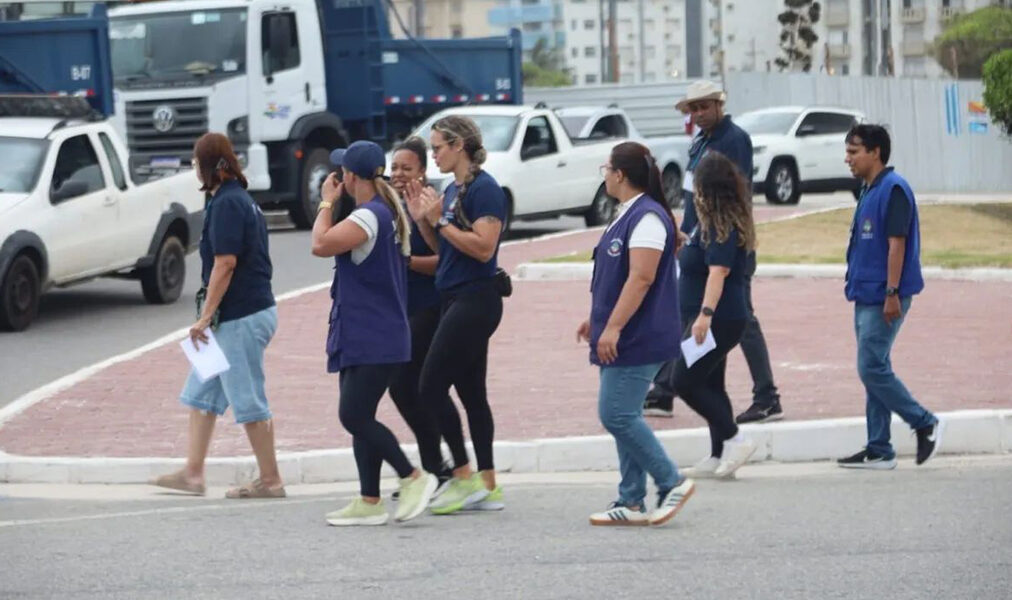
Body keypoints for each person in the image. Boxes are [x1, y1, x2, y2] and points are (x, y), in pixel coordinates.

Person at [150, 133, 284, 499]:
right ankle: (192, 473)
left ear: (210, 165)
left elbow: (225, 264)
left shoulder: (227, 204)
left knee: (248, 398)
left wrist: (204, 317)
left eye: (196, 163)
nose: (195, 169)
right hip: (235, 317)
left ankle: (271, 480)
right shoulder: (238, 200)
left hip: (239, 317)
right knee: (201, 393)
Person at [312, 140, 438, 526]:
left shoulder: (370, 215)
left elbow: (320, 243)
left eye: (341, 172)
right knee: (361, 414)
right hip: (365, 331)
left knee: (353, 415)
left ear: (350, 176)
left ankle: (413, 475)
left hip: (373, 333)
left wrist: (325, 203)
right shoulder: (385, 210)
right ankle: (369, 500)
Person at [644, 80, 783, 425]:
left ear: (719, 105)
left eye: (705, 106)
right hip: (695, 239)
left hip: (724, 243)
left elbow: (732, 197)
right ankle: (664, 389)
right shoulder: (700, 142)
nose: (699, 113)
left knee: (742, 319)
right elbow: (694, 196)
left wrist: (713, 236)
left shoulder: (734, 140)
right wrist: (684, 231)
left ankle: (767, 397)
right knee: (683, 311)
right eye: (694, 108)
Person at [578, 141, 695, 526]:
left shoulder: (646, 217)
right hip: (622, 331)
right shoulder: (627, 213)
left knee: (615, 413)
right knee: (624, 413)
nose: (605, 175)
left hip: (639, 334)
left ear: (620, 175)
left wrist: (612, 326)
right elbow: (615, 278)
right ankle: (630, 500)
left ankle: (671, 480)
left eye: (607, 169)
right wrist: (597, 321)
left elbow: (641, 278)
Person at [403, 115, 506, 515]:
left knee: (428, 386)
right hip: (453, 295)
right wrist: (423, 219)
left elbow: (482, 248)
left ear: (459, 146)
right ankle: (489, 485)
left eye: (438, 147)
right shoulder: (451, 188)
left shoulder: (486, 189)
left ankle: (463, 477)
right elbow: (444, 247)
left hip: (477, 298)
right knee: (471, 394)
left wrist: (441, 220)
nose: (434, 155)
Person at [837, 124, 941, 470]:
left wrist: (892, 293)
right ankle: (879, 447)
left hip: (885, 296)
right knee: (875, 368)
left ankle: (923, 421)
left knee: (871, 366)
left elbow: (897, 245)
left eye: (854, 151)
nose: (847, 158)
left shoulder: (894, 189)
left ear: (875, 152)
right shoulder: (869, 189)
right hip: (866, 294)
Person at [673, 153, 759, 480]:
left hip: (718, 318)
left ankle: (736, 439)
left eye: (697, 186)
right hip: (709, 317)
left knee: (683, 380)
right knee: (711, 382)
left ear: (709, 189)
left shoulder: (722, 225)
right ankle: (717, 452)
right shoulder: (706, 224)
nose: (694, 193)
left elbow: (719, 270)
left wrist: (705, 315)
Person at [387, 137, 454, 496]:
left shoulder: (430, 203)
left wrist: (406, 262)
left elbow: (444, 260)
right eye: (394, 167)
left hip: (431, 306)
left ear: (423, 171)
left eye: (406, 168)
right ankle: (434, 468)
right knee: (407, 388)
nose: (398, 174)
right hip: (401, 310)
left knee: (407, 385)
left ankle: (439, 468)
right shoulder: (390, 202)